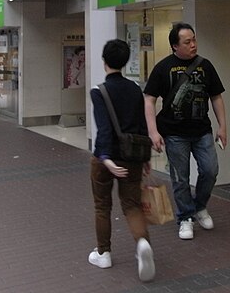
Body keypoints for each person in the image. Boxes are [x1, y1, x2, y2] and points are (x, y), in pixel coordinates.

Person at [144, 22, 227, 241]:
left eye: (194, 40)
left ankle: (199, 206)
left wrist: (223, 126)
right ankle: (185, 218)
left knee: (210, 170)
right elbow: (149, 99)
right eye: (187, 42)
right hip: (174, 133)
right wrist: (153, 131)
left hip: (202, 131)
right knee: (180, 178)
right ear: (174, 46)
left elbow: (216, 96)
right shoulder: (163, 68)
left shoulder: (205, 65)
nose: (192, 45)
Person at [88, 39, 155, 282]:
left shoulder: (99, 91)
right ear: (126, 61)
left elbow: (103, 128)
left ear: (104, 61)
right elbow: (141, 125)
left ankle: (103, 253)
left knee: (102, 206)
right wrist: (145, 157)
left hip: (106, 160)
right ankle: (142, 244)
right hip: (132, 157)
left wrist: (105, 158)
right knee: (132, 205)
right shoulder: (135, 89)